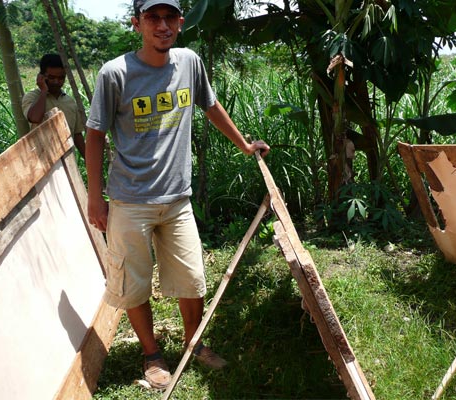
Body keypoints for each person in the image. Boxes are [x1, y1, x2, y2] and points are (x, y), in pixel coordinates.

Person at [85, 0, 270, 390]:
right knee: (134, 283)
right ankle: (152, 355)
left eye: (170, 17)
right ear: (137, 24)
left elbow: (211, 105)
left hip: (177, 199)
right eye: (153, 18)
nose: (162, 25)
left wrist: (244, 146)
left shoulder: (189, 63)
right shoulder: (115, 73)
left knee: (192, 277)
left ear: (181, 23)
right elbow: (95, 134)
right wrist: (95, 197)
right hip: (129, 201)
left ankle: (193, 343)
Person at [22, 53, 86, 158]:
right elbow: (34, 117)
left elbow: (77, 136)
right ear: (41, 76)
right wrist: (43, 91)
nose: (56, 82)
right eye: (51, 77)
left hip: (68, 162)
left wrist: (90, 163)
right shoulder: (32, 97)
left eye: (61, 78)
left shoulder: (70, 102)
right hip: (41, 163)